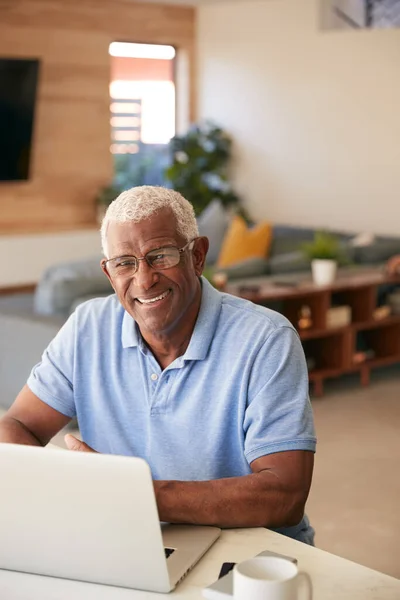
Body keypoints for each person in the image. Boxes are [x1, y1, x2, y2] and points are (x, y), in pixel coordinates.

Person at [0, 186, 316, 543]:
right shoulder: (87, 326)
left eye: (161, 256)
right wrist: (60, 489)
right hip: (127, 536)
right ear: (109, 273)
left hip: (246, 549)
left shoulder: (266, 338)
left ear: (197, 256)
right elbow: (17, 423)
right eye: (125, 263)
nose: (144, 279)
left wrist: (134, 495)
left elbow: (285, 494)